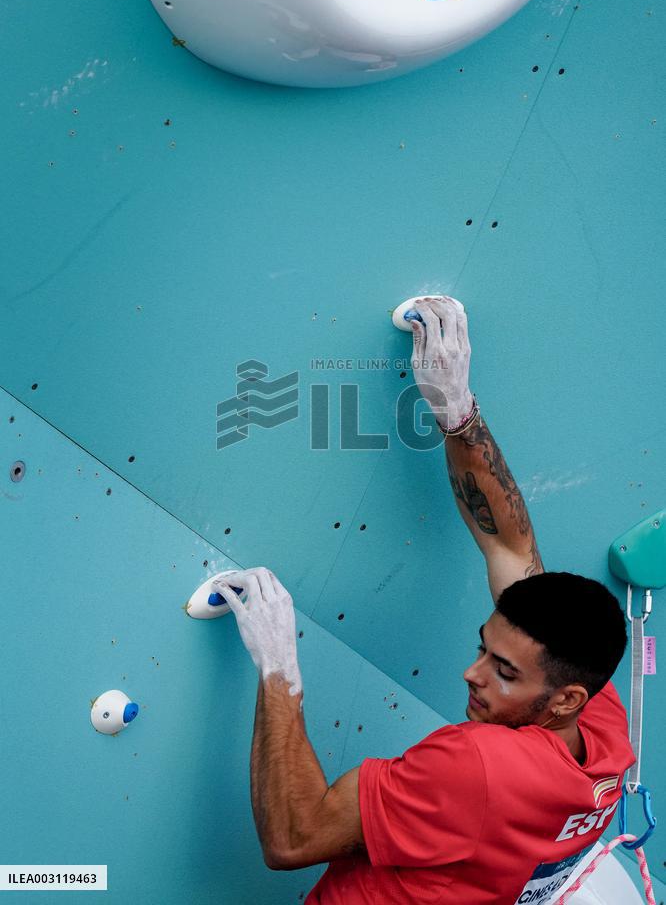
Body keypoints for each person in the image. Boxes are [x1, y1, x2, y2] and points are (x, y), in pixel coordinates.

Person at [213, 296, 634, 904]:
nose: (473, 673)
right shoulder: (596, 716)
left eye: (504, 671)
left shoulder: (482, 766)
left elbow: (293, 838)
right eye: (485, 649)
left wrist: (279, 667)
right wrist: (457, 410)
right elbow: (511, 549)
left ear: (564, 698)